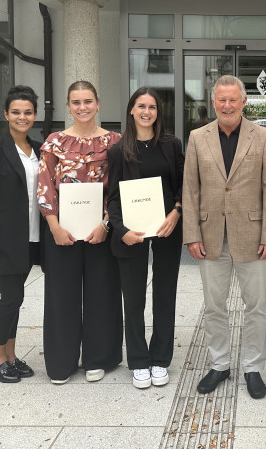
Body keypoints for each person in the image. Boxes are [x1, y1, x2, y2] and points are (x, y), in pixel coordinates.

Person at [183, 75, 266, 400]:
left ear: (243, 102)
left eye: (232, 99)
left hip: (253, 236)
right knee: (214, 306)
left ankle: (253, 367)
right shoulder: (198, 137)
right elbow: (191, 188)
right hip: (210, 236)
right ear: (214, 103)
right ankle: (220, 364)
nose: (227, 105)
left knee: (255, 306)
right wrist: (191, 234)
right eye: (221, 100)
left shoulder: (263, 136)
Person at [37, 80, 123, 384]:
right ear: (69, 106)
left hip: (102, 230)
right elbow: (45, 186)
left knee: (102, 293)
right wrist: (54, 226)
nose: (82, 107)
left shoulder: (115, 142)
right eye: (76, 102)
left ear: (98, 104)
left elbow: (118, 187)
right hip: (62, 231)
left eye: (88, 101)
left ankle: (98, 358)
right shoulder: (54, 142)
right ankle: (61, 362)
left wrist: (105, 225)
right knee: (62, 296)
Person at [107, 87, 184, 389]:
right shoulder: (117, 151)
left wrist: (176, 212)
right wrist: (121, 230)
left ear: (157, 113)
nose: (146, 112)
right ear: (131, 110)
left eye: (152, 107)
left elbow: (183, 187)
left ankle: (160, 359)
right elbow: (112, 198)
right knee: (134, 296)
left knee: (165, 294)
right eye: (141, 106)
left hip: (167, 228)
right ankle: (138, 361)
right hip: (132, 233)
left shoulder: (171, 145)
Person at [0, 85, 42, 383]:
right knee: (11, 296)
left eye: (27, 112)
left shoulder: (38, 149)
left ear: (35, 115)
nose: (22, 117)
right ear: (6, 114)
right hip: (4, 240)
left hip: (32, 237)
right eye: (16, 112)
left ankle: (11, 355)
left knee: (16, 296)